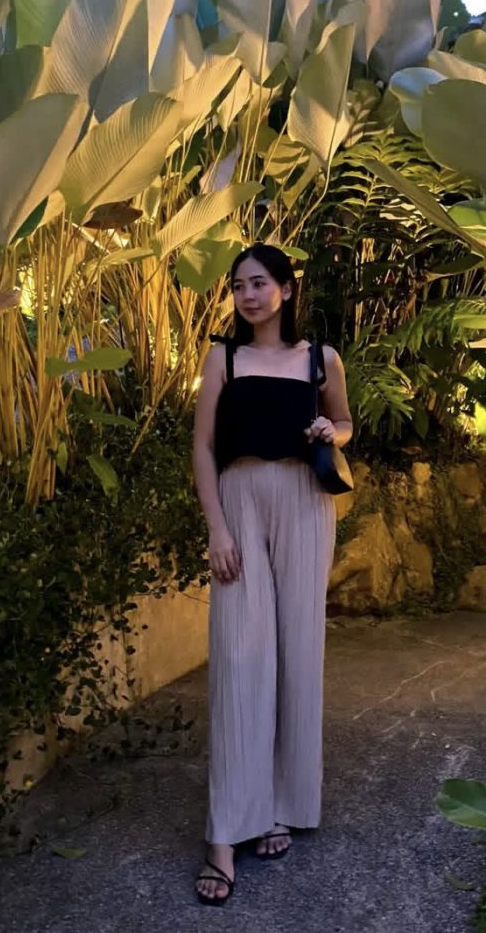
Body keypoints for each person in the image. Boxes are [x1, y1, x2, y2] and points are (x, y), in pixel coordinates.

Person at [190, 243, 353, 905]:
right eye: (238, 286)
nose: (247, 296)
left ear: (286, 287)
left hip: (306, 504)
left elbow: (345, 422)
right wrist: (216, 528)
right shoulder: (223, 358)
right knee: (239, 656)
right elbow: (203, 445)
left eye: (258, 283)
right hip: (239, 500)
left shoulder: (322, 359)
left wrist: (333, 432)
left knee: (297, 651)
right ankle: (224, 833)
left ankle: (280, 804)